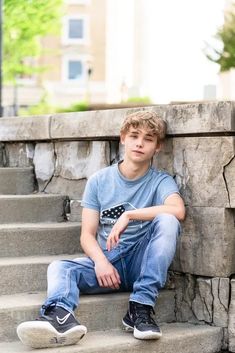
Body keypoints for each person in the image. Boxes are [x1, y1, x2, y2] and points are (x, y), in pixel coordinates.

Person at [17, 110, 185, 349]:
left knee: (168, 220)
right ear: (123, 138)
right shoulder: (99, 180)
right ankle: (60, 316)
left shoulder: (160, 181)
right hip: (109, 264)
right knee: (60, 267)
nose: (140, 143)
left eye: (148, 139)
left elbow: (178, 210)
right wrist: (100, 262)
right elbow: (87, 235)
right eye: (135, 135)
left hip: (142, 260)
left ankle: (140, 307)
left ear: (157, 147)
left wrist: (130, 214)